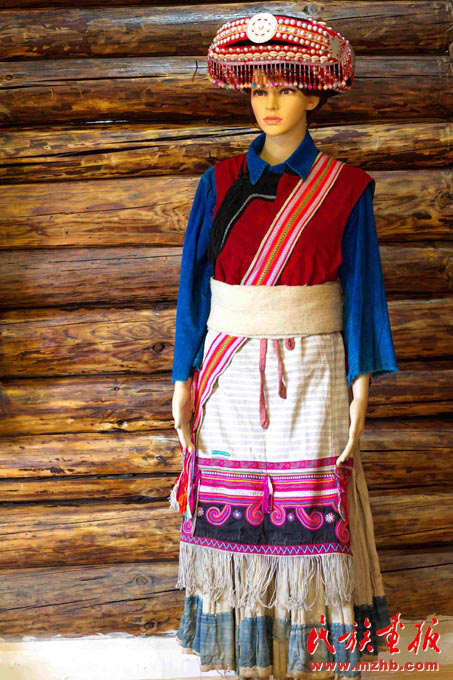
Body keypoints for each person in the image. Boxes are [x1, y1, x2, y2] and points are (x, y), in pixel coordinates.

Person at [168, 12, 399, 679]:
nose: (269, 103)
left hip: (316, 369)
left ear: (314, 95)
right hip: (229, 371)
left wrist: (361, 384)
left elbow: (361, 290)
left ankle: (309, 656)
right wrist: (182, 376)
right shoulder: (215, 183)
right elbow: (193, 290)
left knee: (313, 502)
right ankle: (248, 655)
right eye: (257, 89)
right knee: (235, 504)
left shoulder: (346, 188)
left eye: (286, 87)